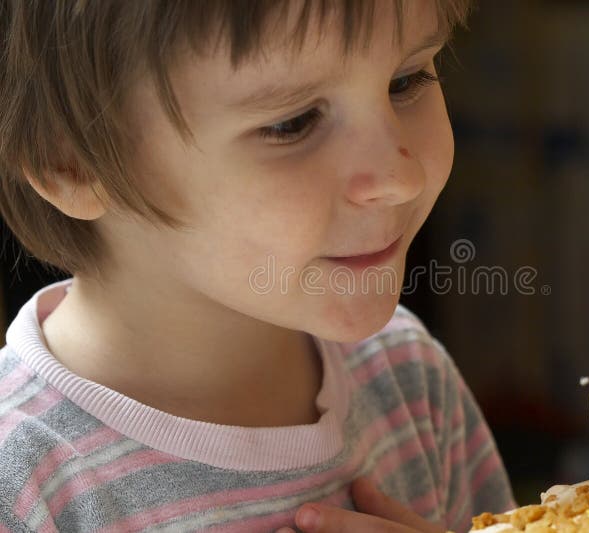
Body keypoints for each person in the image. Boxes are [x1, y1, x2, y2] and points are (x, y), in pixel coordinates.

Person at [0, 1, 516, 531]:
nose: (397, 178)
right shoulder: (19, 482)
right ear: (71, 164)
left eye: (406, 81)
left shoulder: (410, 379)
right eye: (293, 123)